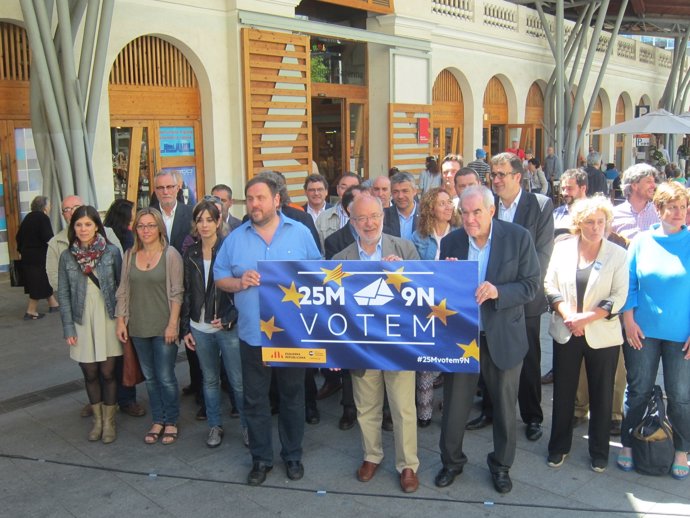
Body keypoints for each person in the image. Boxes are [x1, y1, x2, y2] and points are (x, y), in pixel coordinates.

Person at [214, 175, 321, 486]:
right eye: (249, 198)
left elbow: (319, 275)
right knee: (255, 400)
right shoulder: (235, 239)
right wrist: (239, 282)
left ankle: (292, 455)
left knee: (292, 396)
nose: (254, 204)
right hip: (252, 336)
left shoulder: (300, 233)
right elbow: (220, 277)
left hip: (291, 335)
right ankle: (260, 458)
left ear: (277, 200)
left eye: (260, 198)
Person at [435, 185, 540, 493]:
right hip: (462, 337)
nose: (469, 219)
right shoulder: (453, 240)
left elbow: (531, 285)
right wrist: (446, 275)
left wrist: (499, 291)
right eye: (464, 213)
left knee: (506, 408)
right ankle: (451, 462)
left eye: (476, 212)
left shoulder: (518, 237)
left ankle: (502, 465)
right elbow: (441, 291)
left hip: (503, 335)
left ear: (491, 210)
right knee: (455, 406)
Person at [334, 194, 421, 493]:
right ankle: (371, 455)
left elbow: (423, 295)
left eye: (374, 216)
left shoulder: (405, 248)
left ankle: (407, 464)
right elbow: (331, 304)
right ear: (352, 221)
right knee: (366, 406)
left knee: (403, 408)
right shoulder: (340, 259)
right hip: (362, 346)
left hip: (399, 345)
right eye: (361, 218)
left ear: (383, 216)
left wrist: (403, 276)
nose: (369, 223)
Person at [544, 196, 628, 472]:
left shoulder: (618, 254)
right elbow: (549, 283)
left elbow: (619, 296)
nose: (596, 227)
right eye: (590, 222)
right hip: (567, 331)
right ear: (579, 224)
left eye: (601, 222)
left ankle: (599, 451)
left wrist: (586, 318)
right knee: (564, 392)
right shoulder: (563, 248)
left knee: (602, 393)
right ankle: (558, 447)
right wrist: (570, 317)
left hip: (601, 333)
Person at [474, 152, 553, 442]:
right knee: (490, 357)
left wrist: (510, 291)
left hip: (523, 300)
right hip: (488, 299)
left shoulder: (540, 205)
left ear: (518, 177)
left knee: (528, 360)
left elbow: (542, 257)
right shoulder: (486, 205)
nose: (495, 180)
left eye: (501, 174)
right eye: (492, 175)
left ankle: (532, 416)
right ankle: (490, 410)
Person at [617, 182, 690, 480]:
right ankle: (628, 443)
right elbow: (629, 283)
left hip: (682, 335)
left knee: (681, 394)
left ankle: (683, 448)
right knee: (637, 390)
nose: (678, 213)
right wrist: (628, 320)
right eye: (672, 207)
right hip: (642, 332)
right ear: (658, 209)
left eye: (683, 207)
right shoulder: (641, 241)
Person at [180, 200, 247, 448]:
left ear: (219, 222)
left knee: (237, 380)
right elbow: (187, 292)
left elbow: (241, 290)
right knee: (209, 380)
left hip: (226, 327)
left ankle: (247, 426)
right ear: (195, 224)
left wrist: (230, 317)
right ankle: (214, 425)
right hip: (200, 327)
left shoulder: (230, 251)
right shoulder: (191, 253)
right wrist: (186, 327)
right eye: (200, 220)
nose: (205, 225)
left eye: (209, 219)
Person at [115, 208, 184, 446]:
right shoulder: (129, 255)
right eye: (141, 226)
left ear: (159, 228)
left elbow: (177, 292)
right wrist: (121, 321)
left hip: (164, 326)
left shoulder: (171, 254)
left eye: (151, 225)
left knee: (165, 376)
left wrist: (173, 324)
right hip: (138, 327)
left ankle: (171, 420)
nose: (145, 230)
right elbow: (123, 290)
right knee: (151, 378)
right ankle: (158, 419)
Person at [57, 206, 123, 444]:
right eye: (78, 225)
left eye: (87, 224)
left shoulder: (112, 252)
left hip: (107, 317)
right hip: (81, 319)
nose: (83, 229)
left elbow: (122, 289)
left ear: (97, 226)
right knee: (90, 372)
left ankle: (109, 421)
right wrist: (68, 328)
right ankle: (97, 420)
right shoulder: (67, 256)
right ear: (73, 228)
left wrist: (122, 321)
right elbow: (62, 293)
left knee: (107, 372)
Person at [411, 187, 460, 428]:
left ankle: (452, 408)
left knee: (455, 357)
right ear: (431, 208)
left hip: (454, 303)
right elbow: (414, 272)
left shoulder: (461, 234)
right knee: (426, 361)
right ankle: (424, 412)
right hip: (426, 304)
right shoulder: (417, 237)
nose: (448, 206)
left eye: (449, 202)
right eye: (442, 203)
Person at [16, 195, 59, 319]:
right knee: (38, 282)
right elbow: (48, 237)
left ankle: (53, 304)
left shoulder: (28, 218)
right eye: (49, 204)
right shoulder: (43, 218)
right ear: (44, 207)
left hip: (27, 256)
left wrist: (21, 250)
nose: (50, 207)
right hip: (39, 256)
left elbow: (18, 237)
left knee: (42, 281)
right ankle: (31, 311)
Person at [315, 172, 361, 250]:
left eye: (352, 188)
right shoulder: (323, 218)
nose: (347, 192)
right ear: (337, 189)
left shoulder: (369, 217)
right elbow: (319, 252)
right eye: (343, 187)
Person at [384, 171, 420, 240]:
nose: (400, 196)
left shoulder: (427, 215)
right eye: (396, 192)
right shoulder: (384, 216)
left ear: (414, 191)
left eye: (405, 191)